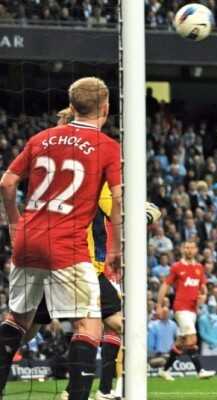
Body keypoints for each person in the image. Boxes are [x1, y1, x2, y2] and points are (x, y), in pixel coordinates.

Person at [0, 77, 122, 400]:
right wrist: (114, 248)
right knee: (88, 325)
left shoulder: (41, 138)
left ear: (73, 106)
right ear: (106, 108)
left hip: (28, 241)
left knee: (16, 321)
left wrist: (15, 224)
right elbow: (118, 199)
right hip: (67, 246)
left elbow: (7, 183)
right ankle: (78, 395)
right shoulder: (107, 147)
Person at [156, 240, 216, 380]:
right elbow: (165, 285)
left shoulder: (199, 268)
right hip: (180, 307)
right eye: (187, 247)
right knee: (191, 337)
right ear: (183, 249)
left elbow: (203, 288)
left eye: (192, 247)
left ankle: (164, 370)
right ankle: (200, 370)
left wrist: (203, 296)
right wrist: (159, 305)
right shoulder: (177, 267)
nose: (189, 250)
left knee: (182, 341)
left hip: (192, 309)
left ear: (196, 250)